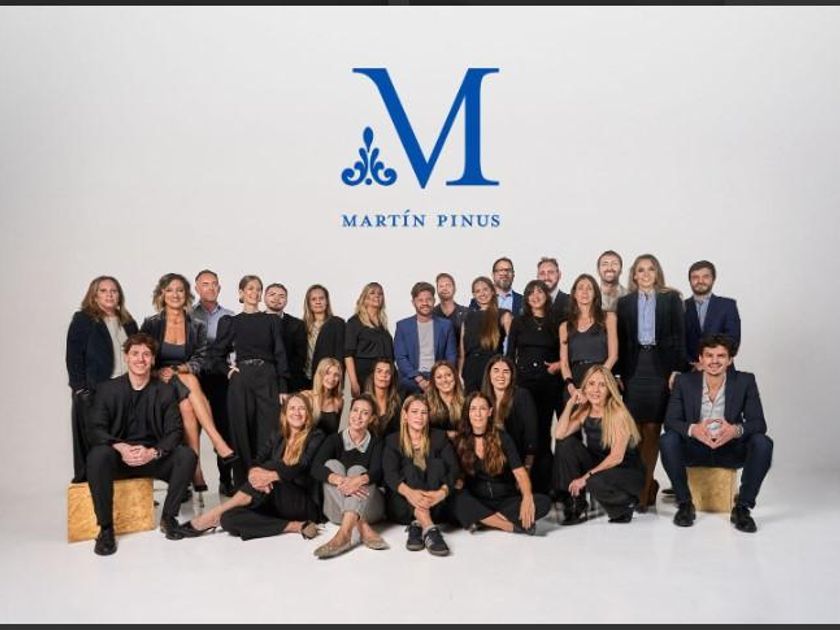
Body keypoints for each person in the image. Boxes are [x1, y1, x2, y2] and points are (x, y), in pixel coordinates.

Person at [85, 333, 199, 555]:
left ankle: (168, 518)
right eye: (135, 353)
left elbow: (174, 431)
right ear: (126, 357)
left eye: (146, 354)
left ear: (153, 360)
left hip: (151, 457)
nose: (140, 359)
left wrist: (153, 452)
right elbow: (95, 429)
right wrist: (120, 447)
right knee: (98, 456)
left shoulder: (165, 391)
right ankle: (106, 529)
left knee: (186, 456)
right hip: (119, 458)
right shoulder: (107, 389)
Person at [660, 334, 772, 533]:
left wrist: (735, 430)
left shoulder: (745, 381)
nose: (714, 361)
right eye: (709, 355)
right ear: (701, 359)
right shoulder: (684, 382)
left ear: (730, 360)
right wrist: (693, 429)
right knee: (667, 440)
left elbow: (759, 424)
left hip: (730, 449)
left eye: (721, 356)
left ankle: (742, 508)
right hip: (695, 449)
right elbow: (671, 422)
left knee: (763, 442)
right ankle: (685, 504)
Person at [140, 273, 237, 501]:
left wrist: (179, 369)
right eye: (170, 290)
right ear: (162, 294)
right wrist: (158, 372)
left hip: (183, 380)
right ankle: (216, 442)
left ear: (186, 294)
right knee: (191, 384)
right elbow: (142, 356)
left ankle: (195, 469)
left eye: (180, 290)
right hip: (158, 382)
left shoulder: (196, 325)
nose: (175, 294)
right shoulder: (152, 323)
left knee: (187, 406)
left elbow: (200, 360)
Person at [184, 393, 325, 541]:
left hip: (302, 503)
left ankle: (212, 515)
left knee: (272, 466)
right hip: (274, 501)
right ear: (285, 413)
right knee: (227, 519)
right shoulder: (278, 435)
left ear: (308, 414)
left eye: (302, 408)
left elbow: (303, 466)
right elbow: (257, 460)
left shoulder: (316, 436)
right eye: (292, 408)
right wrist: (253, 473)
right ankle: (295, 526)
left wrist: (271, 475)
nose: (296, 412)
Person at [616, 254, 688, 512]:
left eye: (650, 269)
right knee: (633, 432)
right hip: (634, 369)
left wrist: (677, 369)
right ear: (634, 275)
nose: (646, 274)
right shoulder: (624, 303)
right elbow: (621, 340)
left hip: (660, 369)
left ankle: (644, 492)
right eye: (640, 270)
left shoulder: (671, 299)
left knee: (652, 430)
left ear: (657, 273)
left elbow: (680, 336)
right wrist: (617, 374)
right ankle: (641, 486)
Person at [209, 275, 290, 487]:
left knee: (270, 431)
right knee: (241, 432)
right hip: (241, 379)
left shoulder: (271, 321)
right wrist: (228, 371)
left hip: (268, 377)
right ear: (241, 293)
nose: (254, 293)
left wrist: (283, 386)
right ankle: (244, 486)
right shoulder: (230, 322)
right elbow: (215, 355)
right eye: (250, 289)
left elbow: (280, 353)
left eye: (258, 289)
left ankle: (267, 483)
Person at [66, 276, 138, 482]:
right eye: (103, 291)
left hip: (127, 388)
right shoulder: (83, 320)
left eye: (113, 291)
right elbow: (73, 357)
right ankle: (92, 486)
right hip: (97, 390)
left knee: (126, 439)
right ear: (94, 296)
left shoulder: (128, 322)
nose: (109, 295)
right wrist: (80, 389)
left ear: (119, 295)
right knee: (97, 442)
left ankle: (126, 485)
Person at [553, 366, 645, 525]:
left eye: (602, 385)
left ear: (609, 389)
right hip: (600, 466)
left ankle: (625, 504)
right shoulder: (584, 411)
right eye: (591, 384)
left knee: (593, 481)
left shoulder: (618, 413)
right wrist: (570, 403)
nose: (595, 390)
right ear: (584, 388)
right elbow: (559, 435)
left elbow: (616, 457)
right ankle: (576, 502)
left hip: (625, 471)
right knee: (566, 444)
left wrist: (585, 478)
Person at [453, 392, 551, 534]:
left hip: (505, 500)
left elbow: (520, 472)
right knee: (457, 500)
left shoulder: (503, 438)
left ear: (490, 412)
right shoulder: (460, 441)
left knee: (544, 502)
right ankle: (509, 526)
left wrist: (527, 497)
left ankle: (484, 521)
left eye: (482, 409)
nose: (478, 414)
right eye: (473, 409)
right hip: (478, 501)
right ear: (467, 413)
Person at [310, 394, 388, 559]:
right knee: (331, 465)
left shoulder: (376, 442)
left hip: (370, 509)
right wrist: (342, 480)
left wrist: (359, 480)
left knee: (357, 470)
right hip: (336, 511)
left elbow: (378, 472)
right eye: (355, 410)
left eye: (365, 413)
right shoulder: (334, 440)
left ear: (372, 419)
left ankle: (343, 534)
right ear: (349, 412)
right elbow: (315, 468)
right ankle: (361, 526)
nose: (358, 416)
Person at [382, 395, 460, 556]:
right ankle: (430, 529)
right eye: (415, 412)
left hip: (435, 504)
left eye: (424, 412)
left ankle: (417, 526)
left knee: (437, 465)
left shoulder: (439, 437)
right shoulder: (393, 440)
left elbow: (454, 469)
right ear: (405, 415)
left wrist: (442, 493)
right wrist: (410, 493)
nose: (420, 416)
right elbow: (390, 474)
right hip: (403, 506)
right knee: (410, 470)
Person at [505, 279, 562, 494]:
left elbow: (565, 352)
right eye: (531, 293)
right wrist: (510, 383)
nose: (536, 296)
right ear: (527, 298)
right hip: (524, 385)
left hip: (549, 383)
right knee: (526, 432)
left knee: (544, 433)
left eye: (540, 292)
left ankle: (545, 485)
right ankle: (522, 483)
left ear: (547, 296)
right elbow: (510, 355)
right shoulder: (519, 322)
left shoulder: (557, 321)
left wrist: (558, 366)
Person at [192, 269, 236, 496]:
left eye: (214, 284)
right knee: (189, 429)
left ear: (219, 288)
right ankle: (188, 480)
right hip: (195, 377)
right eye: (205, 284)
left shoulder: (229, 316)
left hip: (219, 378)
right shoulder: (188, 315)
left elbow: (235, 348)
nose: (210, 288)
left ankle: (225, 479)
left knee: (224, 427)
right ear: (197, 288)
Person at [559, 274, 618, 401]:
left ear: (595, 294)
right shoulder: (565, 327)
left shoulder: (609, 318)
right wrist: (572, 389)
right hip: (575, 384)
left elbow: (613, 356)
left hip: (602, 380)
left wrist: (595, 382)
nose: (585, 292)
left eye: (589, 288)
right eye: (580, 288)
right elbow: (564, 363)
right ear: (574, 294)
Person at [394, 281, 457, 394]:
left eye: (428, 299)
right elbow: (401, 358)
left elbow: (451, 356)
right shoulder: (403, 326)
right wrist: (419, 379)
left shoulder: (445, 325)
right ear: (413, 302)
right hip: (412, 378)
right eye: (420, 300)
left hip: (438, 376)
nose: (425, 303)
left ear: (434, 301)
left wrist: (438, 378)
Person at [481, 356, 539, 475]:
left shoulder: (522, 396)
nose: (501, 375)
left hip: (515, 461)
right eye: (496, 370)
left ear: (512, 376)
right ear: (489, 375)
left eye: (506, 371)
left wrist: (527, 468)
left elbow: (531, 436)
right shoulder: (481, 399)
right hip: (487, 460)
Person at [684, 260, 741, 369]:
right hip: (690, 370)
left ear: (713, 279)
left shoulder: (727, 305)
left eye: (705, 277)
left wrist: (710, 361)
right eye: (695, 277)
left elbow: (733, 339)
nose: (700, 281)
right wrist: (692, 363)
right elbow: (676, 342)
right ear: (690, 280)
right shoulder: (680, 307)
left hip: (722, 369)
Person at [460, 276, 513, 393]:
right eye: (478, 291)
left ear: (493, 291)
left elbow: (514, 346)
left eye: (485, 289)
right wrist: (460, 374)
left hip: (492, 368)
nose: (482, 294)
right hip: (470, 370)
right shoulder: (468, 318)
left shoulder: (504, 315)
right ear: (474, 295)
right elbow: (462, 353)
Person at [345, 282, 394, 398]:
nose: (377, 296)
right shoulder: (354, 322)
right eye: (372, 293)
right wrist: (354, 382)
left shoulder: (382, 325)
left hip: (384, 376)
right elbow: (348, 355)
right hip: (365, 376)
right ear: (364, 298)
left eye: (380, 294)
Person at [264, 282, 309, 391]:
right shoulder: (254, 321)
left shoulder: (297, 324)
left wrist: (282, 374)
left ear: (286, 301)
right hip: (260, 380)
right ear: (264, 297)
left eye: (281, 296)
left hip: (289, 381)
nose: (276, 299)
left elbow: (300, 357)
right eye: (272, 294)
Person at [301, 284, 346, 390]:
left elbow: (340, 354)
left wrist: (338, 379)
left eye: (321, 298)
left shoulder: (337, 323)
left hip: (328, 379)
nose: (318, 302)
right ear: (308, 303)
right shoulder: (302, 326)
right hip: (306, 378)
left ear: (327, 301)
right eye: (313, 299)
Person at [302, 357, 344, 435]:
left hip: (328, 442)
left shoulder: (338, 402)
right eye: (327, 373)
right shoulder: (306, 397)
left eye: (336, 375)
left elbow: (334, 433)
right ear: (320, 374)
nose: (332, 378)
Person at [433, 272, 470, 357]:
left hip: (462, 359)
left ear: (454, 288)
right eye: (441, 286)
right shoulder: (431, 314)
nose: (444, 288)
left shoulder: (466, 313)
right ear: (437, 290)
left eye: (448, 285)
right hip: (437, 361)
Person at [426, 360, 465, 438]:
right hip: (435, 443)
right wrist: (446, 434)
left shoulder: (466, 401)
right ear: (434, 381)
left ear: (455, 377)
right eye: (439, 377)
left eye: (448, 375)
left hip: (461, 442)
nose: (444, 380)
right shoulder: (425, 403)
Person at [363, 358, 402, 436]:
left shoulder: (398, 403)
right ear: (373, 375)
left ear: (392, 377)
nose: (383, 375)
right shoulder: (363, 401)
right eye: (379, 371)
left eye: (388, 372)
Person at [536, 256, 570, 326]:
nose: (546, 277)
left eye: (550, 272)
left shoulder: (571, 302)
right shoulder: (530, 303)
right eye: (542, 273)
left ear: (559, 275)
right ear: (537, 277)